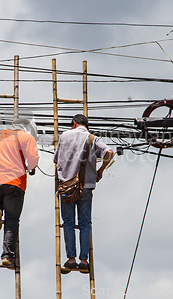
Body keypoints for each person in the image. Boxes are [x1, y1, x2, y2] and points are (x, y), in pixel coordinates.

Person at [53, 114, 113, 273]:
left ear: (73, 123)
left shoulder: (65, 136)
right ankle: (84, 260)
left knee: (68, 222)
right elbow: (110, 153)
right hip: (86, 186)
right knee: (85, 222)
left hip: (67, 186)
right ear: (86, 125)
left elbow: (55, 160)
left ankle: (71, 259)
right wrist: (100, 170)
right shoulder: (93, 138)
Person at [0, 118, 40, 267]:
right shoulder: (25, 137)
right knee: (11, 220)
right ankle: (7, 256)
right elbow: (34, 159)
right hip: (14, 183)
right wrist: (31, 168)